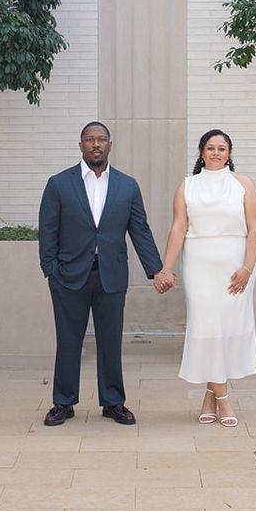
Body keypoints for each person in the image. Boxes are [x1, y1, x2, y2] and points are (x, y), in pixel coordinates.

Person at [37, 121, 165, 426]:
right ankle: (63, 402)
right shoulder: (59, 184)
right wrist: (50, 269)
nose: (96, 144)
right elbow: (47, 229)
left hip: (111, 275)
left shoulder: (127, 185)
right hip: (68, 276)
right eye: (90, 139)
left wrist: (156, 270)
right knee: (68, 340)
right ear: (80, 145)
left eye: (102, 139)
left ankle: (113, 402)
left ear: (110, 145)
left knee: (111, 341)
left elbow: (140, 230)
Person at [154, 128, 256, 424]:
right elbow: (179, 227)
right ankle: (223, 400)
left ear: (229, 153)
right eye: (210, 148)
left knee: (225, 330)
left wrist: (247, 268)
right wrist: (166, 268)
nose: (216, 152)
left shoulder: (244, 184)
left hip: (236, 267)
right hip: (199, 266)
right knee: (207, 327)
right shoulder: (187, 186)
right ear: (201, 153)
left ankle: (210, 396)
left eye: (221, 148)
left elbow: (255, 228)